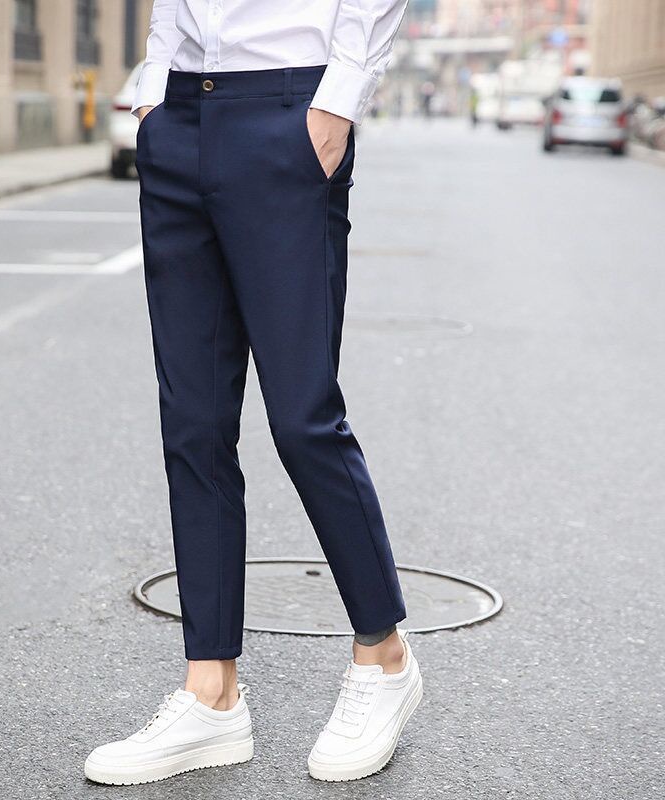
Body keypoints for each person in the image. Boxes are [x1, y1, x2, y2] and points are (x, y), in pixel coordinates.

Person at [84, 0, 422, 785]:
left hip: (290, 109)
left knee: (303, 417)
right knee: (193, 424)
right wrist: (156, 84)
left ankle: (384, 657)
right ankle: (212, 694)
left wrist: (340, 96)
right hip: (180, 111)